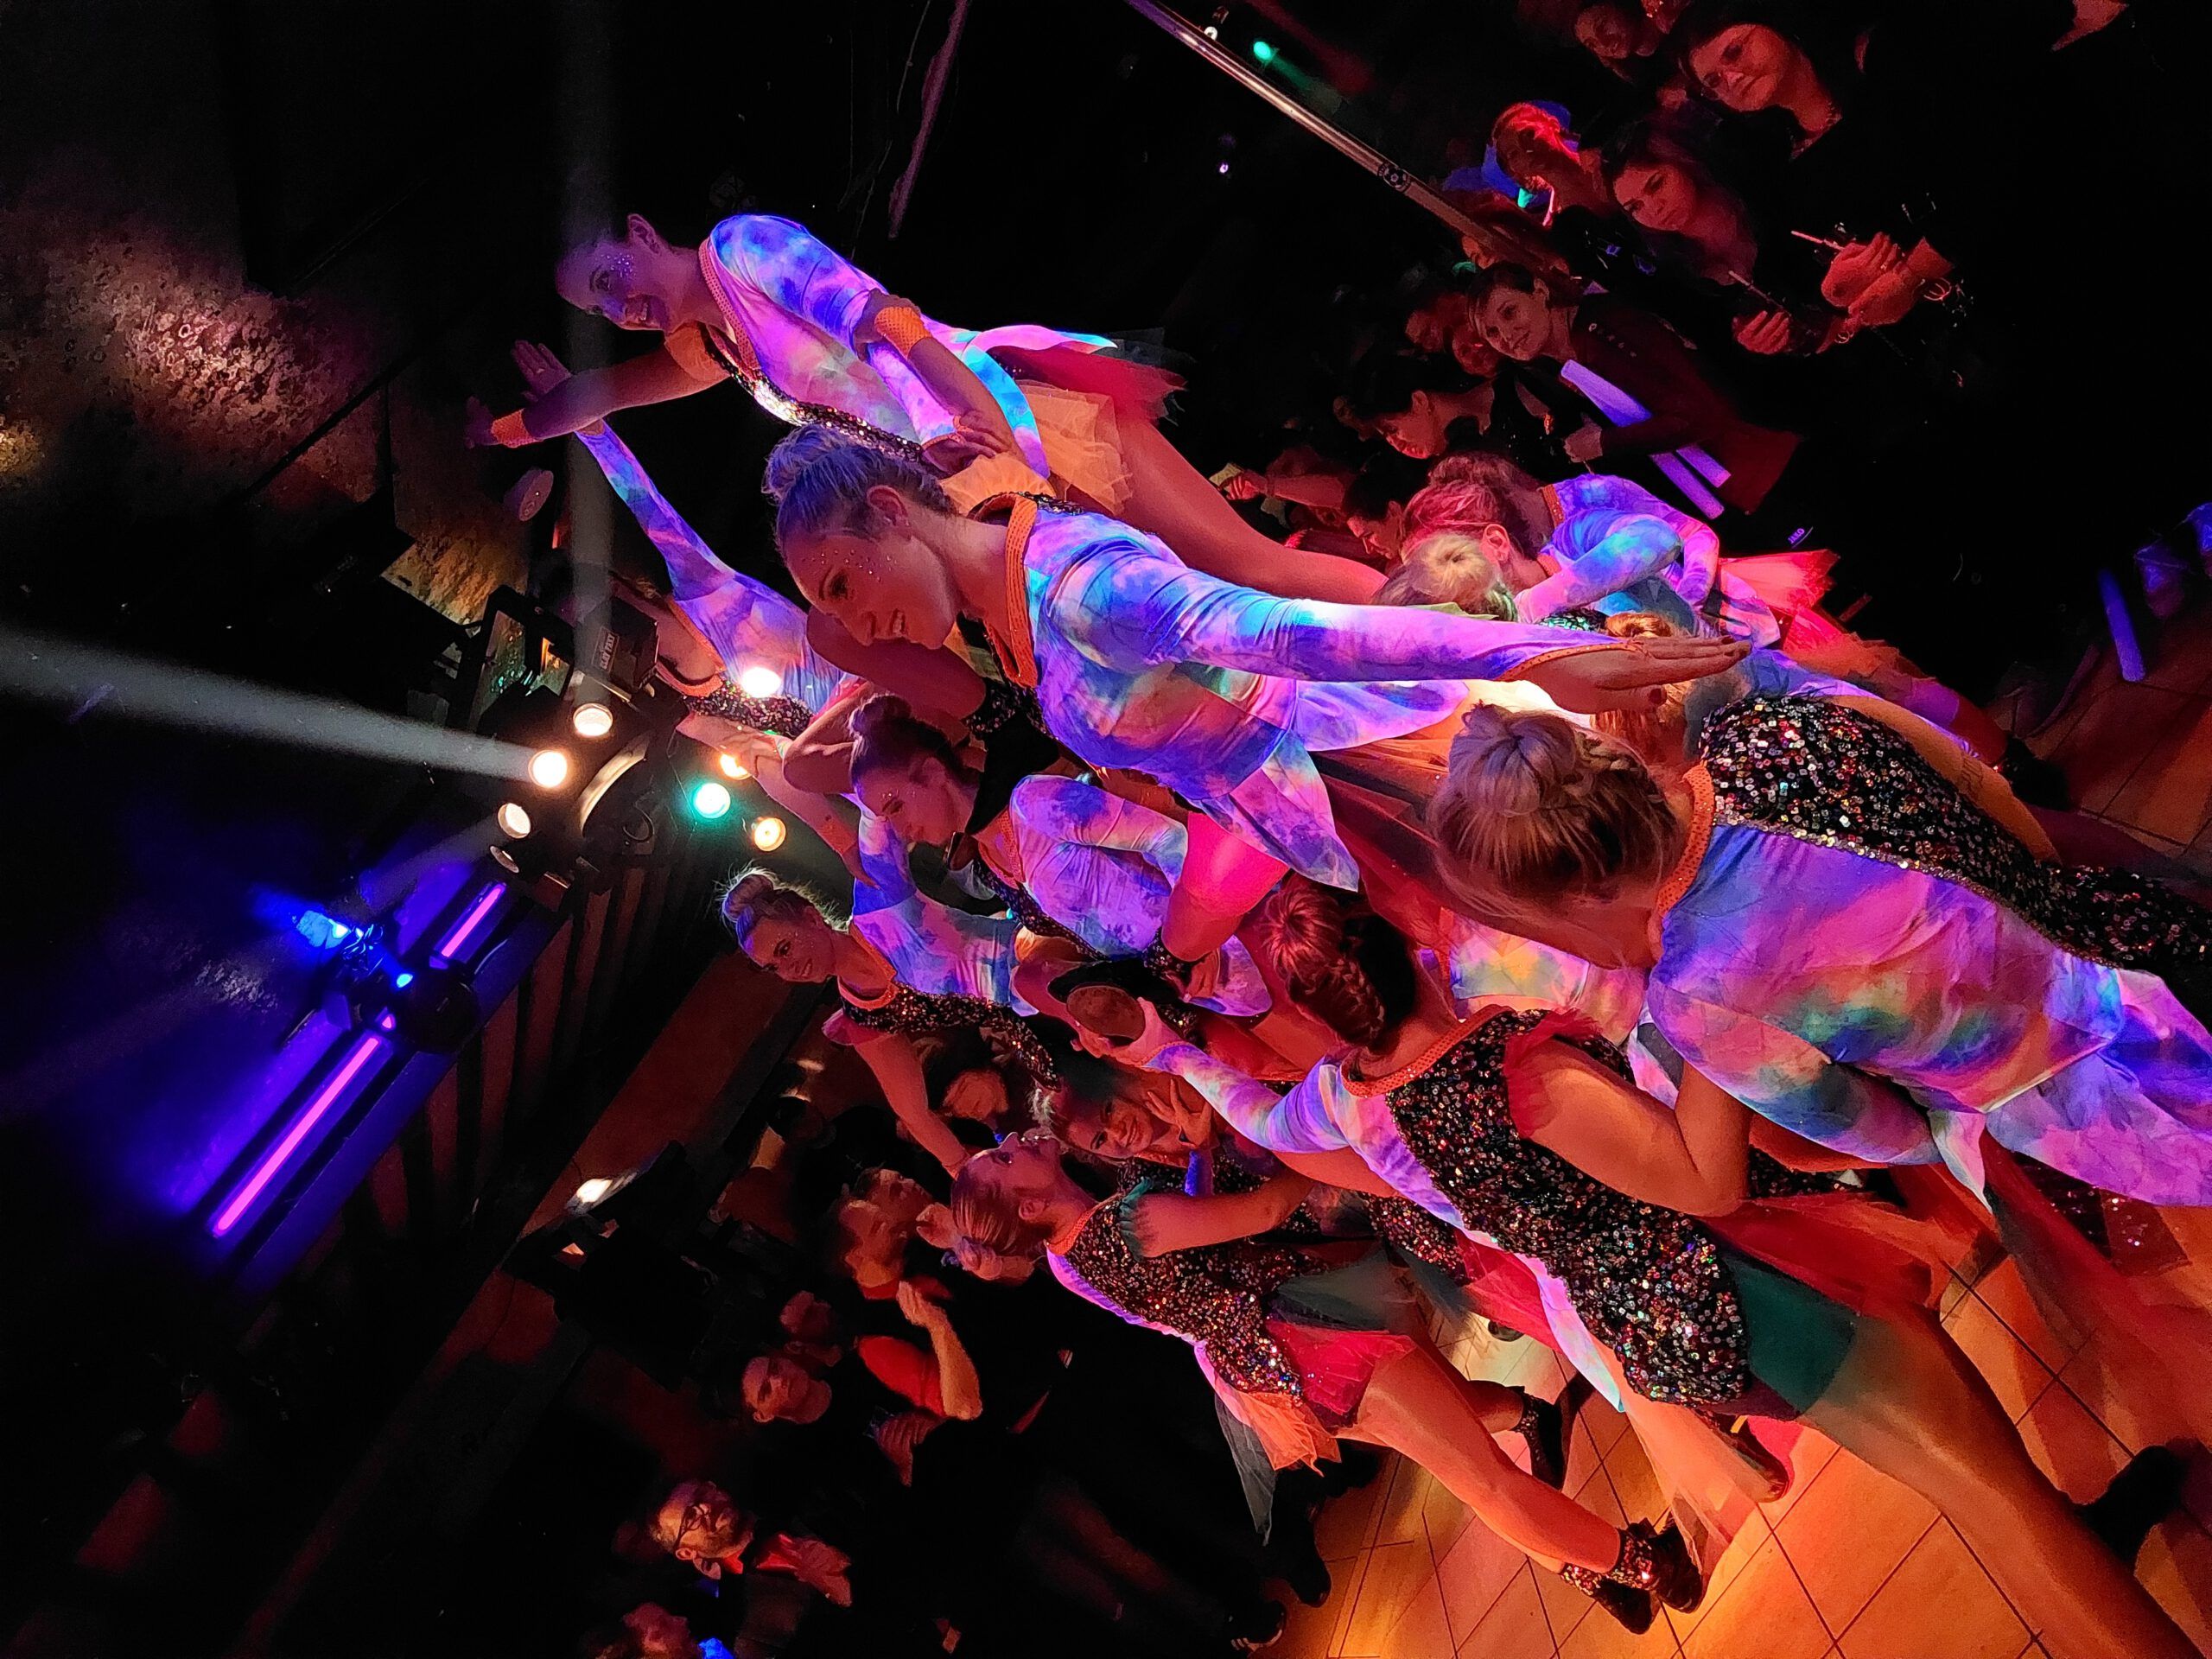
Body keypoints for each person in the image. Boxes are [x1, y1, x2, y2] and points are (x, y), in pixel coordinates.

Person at [1128, 877, 2200, 1659]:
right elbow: (1702, 1180)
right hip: (1731, 1282)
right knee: (1994, 1497)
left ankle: (2090, 1545)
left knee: (1978, 1470)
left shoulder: (1361, 1102)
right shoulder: (1512, 1070)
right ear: (1403, 941)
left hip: (1659, 1314)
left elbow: (1273, 1121)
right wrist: (1695, 1018)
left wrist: (1170, 1053)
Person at [765, 425, 1750, 976]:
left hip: (1394, 763)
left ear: (890, 513)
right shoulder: (1011, 608)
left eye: (842, 584)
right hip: (1334, 800)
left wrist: (1526, 655)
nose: (855, 623)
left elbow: (1290, 634)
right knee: (1631, 936)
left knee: (1657, 912)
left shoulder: (1075, 589)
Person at [1428, 701, 2212, 1211]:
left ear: (1575, 897)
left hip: (2092, 1107)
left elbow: (1878, 1133)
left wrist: (1959, 1122)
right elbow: (1986, 795)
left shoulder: (1697, 1000)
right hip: (2134, 938)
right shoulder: (1775, 731)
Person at [950, 1127, 1701, 1635]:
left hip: (1273, 1367)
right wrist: (1298, 1130)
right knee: (1484, 1479)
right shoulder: (1125, 1225)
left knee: (1472, 1466)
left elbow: (1193, 1232)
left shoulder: (1068, 1260)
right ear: (1028, 1204)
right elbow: (1263, 1210)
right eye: (1005, 1161)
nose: (1015, 1141)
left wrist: (1201, 1153)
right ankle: (1644, 1565)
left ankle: (1608, 1574)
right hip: (1306, 1347)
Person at [470, 212, 1385, 605]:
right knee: (1206, 596)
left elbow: (878, 318)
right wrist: (504, 432)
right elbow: (603, 393)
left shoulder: (742, 247)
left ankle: (1449, 629)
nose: (619, 308)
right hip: (976, 473)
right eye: (599, 309)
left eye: (609, 279)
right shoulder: (714, 345)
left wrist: (948, 410)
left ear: (640, 233)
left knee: (1245, 567)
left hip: (1008, 416)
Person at [721, 869, 1071, 1172]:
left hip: (1038, 957)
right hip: (1032, 1029)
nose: (788, 969)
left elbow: (877, 825)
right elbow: (913, 1112)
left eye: (784, 949)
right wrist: (962, 1168)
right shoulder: (863, 1016)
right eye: (774, 968)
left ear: (811, 918)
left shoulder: (877, 907)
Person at [1465, 262, 1804, 524]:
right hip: (1741, 491)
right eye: (1492, 333)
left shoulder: (1603, 328)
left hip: (1769, 472)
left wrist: (1603, 442)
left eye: (1510, 312)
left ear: (1539, 291)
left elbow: (1699, 415)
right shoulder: (1569, 361)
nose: (1507, 335)